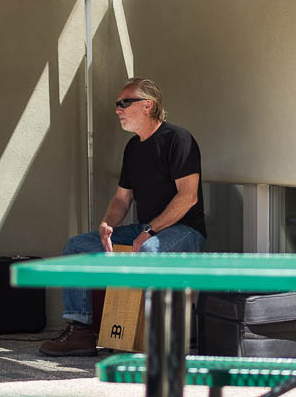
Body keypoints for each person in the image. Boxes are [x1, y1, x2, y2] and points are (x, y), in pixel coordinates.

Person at [39, 77, 206, 357]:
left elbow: (188, 197)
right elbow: (121, 199)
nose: (118, 109)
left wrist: (149, 232)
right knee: (77, 248)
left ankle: (151, 339)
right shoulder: (133, 148)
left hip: (185, 230)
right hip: (146, 229)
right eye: (117, 104)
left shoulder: (178, 139)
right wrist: (107, 225)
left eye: (124, 103)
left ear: (148, 105)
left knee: (148, 251)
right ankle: (80, 333)